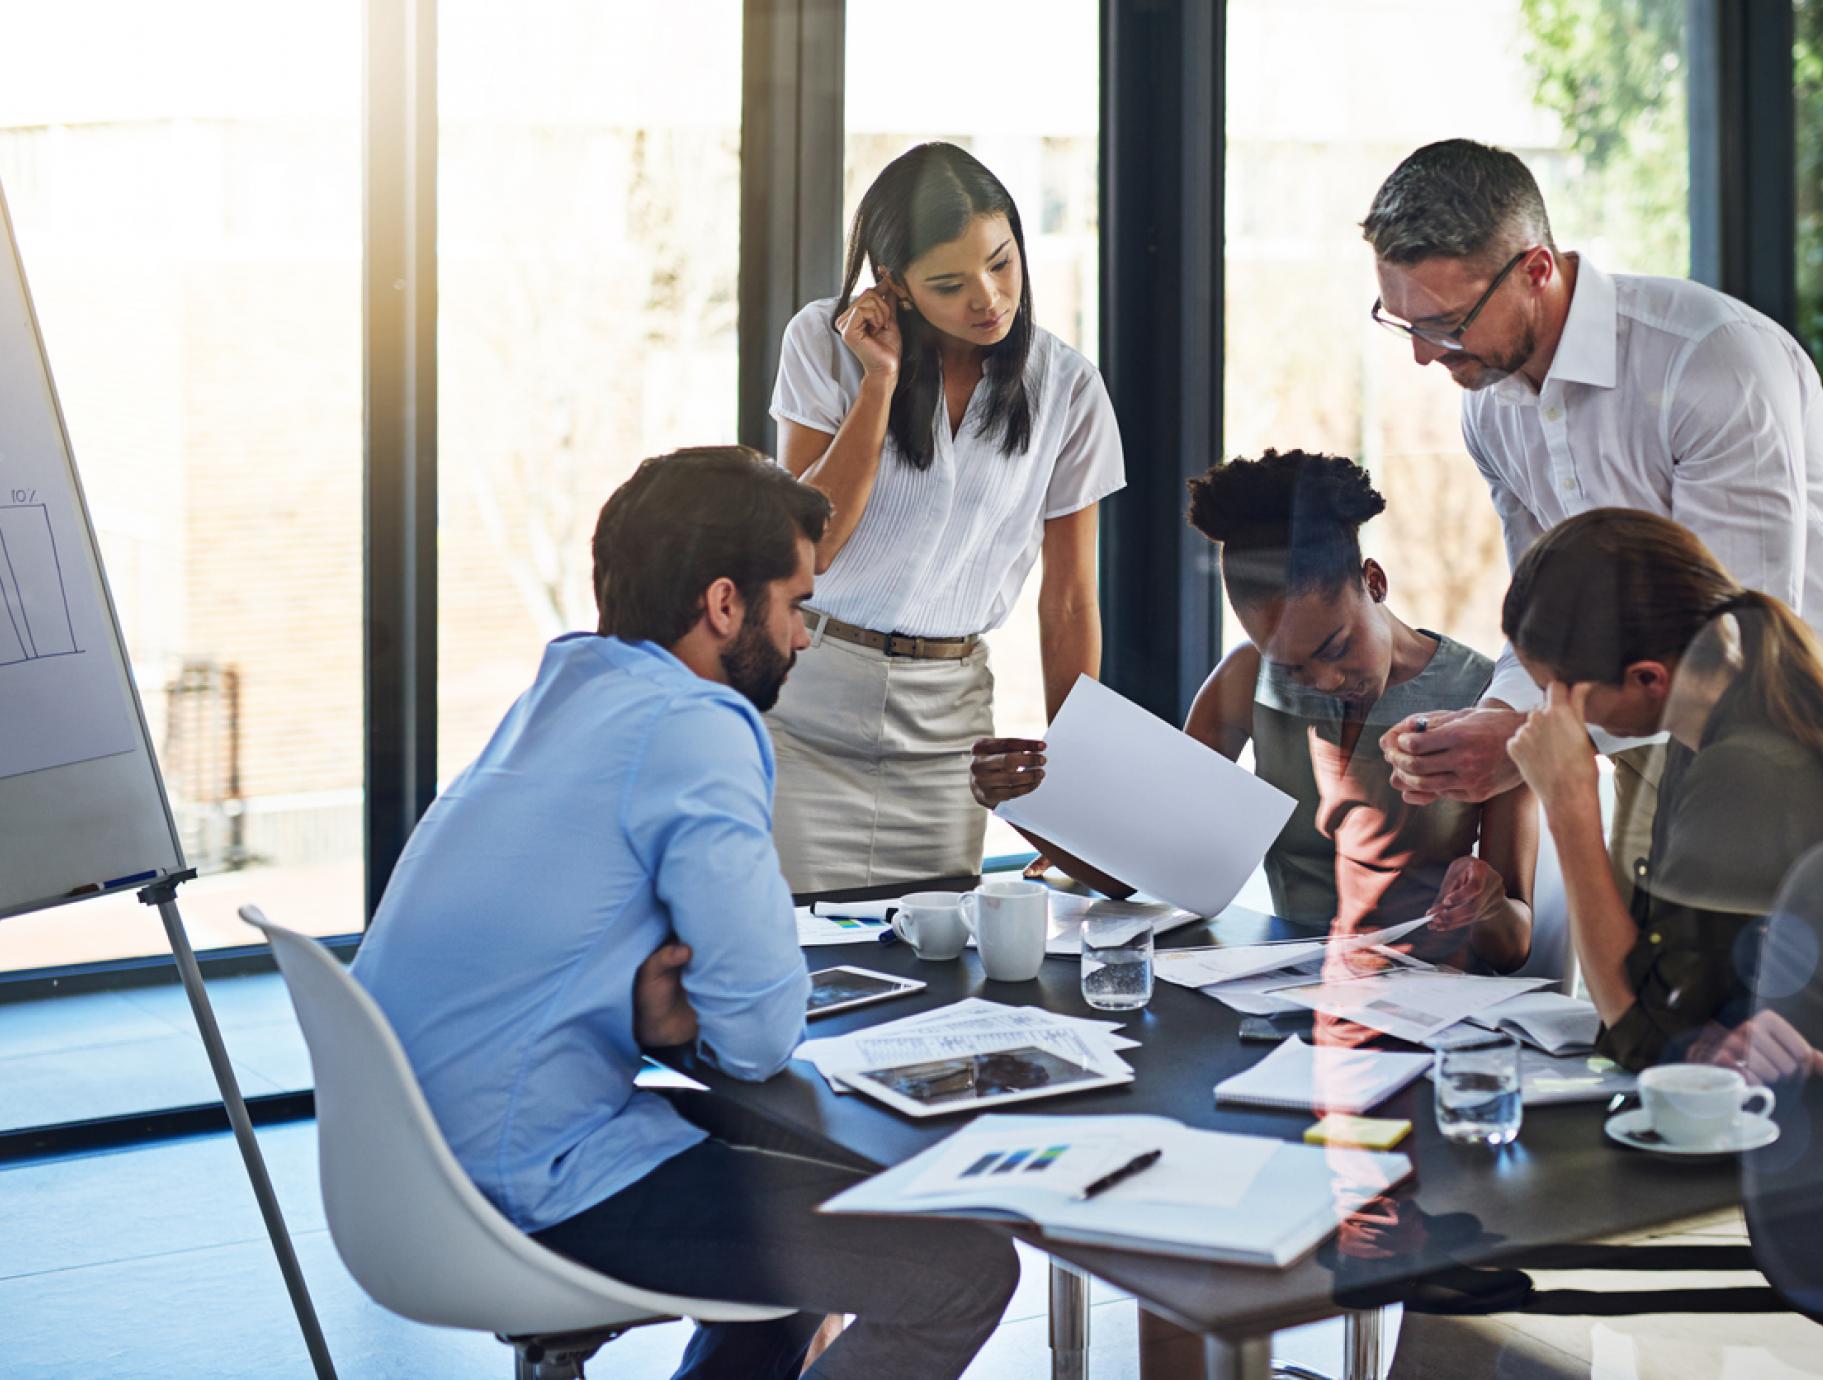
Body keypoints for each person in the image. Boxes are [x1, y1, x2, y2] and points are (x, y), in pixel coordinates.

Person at [349, 448, 1019, 1380]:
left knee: (820, 1208)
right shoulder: (696, 723)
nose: (804, 639)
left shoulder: (562, 692)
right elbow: (757, 1036)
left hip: (407, 1170)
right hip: (531, 1181)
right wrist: (691, 1020)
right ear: (723, 605)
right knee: (964, 1267)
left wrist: (656, 1020)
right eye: (796, 605)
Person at [1358, 138, 1823, 899]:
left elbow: (1743, 638)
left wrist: (1537, 742)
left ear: (1537, 268)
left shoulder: (1709, 361)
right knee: (1643, 998)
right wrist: (1493, 719)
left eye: (1446, 322)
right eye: (1402, 322)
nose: (1424, 357)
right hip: (1647, 727)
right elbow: (1545, 622)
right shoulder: (1491, 409)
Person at [972, 450, 1535, 973]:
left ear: (1374, 581)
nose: (1325, 681)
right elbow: (1142, 872)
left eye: (1336, 648)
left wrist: (1485, 902)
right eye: (1291, 667)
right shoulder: (1245, 680)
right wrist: (1022, 804)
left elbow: (1512, 947)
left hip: (1431, 1003)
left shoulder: (1489, 701)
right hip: (1276, 988)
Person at [1499, 506, 1823, 1071]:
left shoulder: (1748, 768)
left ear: (1647, 678)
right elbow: (1673, 1002)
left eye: (1558, 693)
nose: (1549, 714)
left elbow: (1644, 1033)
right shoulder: (1728, 719)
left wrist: (1569, 802)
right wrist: (1687, 1030)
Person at [768, 142, 1126, 893]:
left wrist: (1074, 796)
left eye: (1002, 262)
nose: (989, 298)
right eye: (949, 282)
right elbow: (812, 546)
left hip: (948, 725)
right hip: (806, 713)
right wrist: (879, 382)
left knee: (935, 968)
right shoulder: (821, 345)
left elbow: (1068, 603)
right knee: (802, 961)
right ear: (893, 285)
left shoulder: (1068, 388)